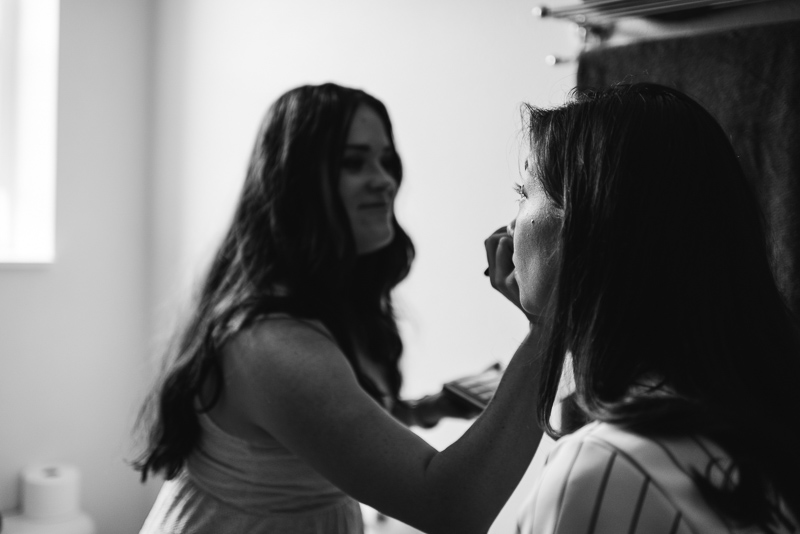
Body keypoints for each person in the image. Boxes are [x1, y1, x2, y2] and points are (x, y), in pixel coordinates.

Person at [133, 82, 545, 534]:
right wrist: (547, 325)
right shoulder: (270, 344)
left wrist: (429, 407)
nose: (383, 179)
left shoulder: (327, 299)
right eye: (354, 162)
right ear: (295, 182)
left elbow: (336, 420)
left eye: (385, 161)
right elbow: (450, 507)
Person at [484, 82, 800, 534]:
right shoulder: (753, 444)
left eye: (524, 190)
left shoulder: (602, 469)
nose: (510, 225)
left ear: (585, 221)